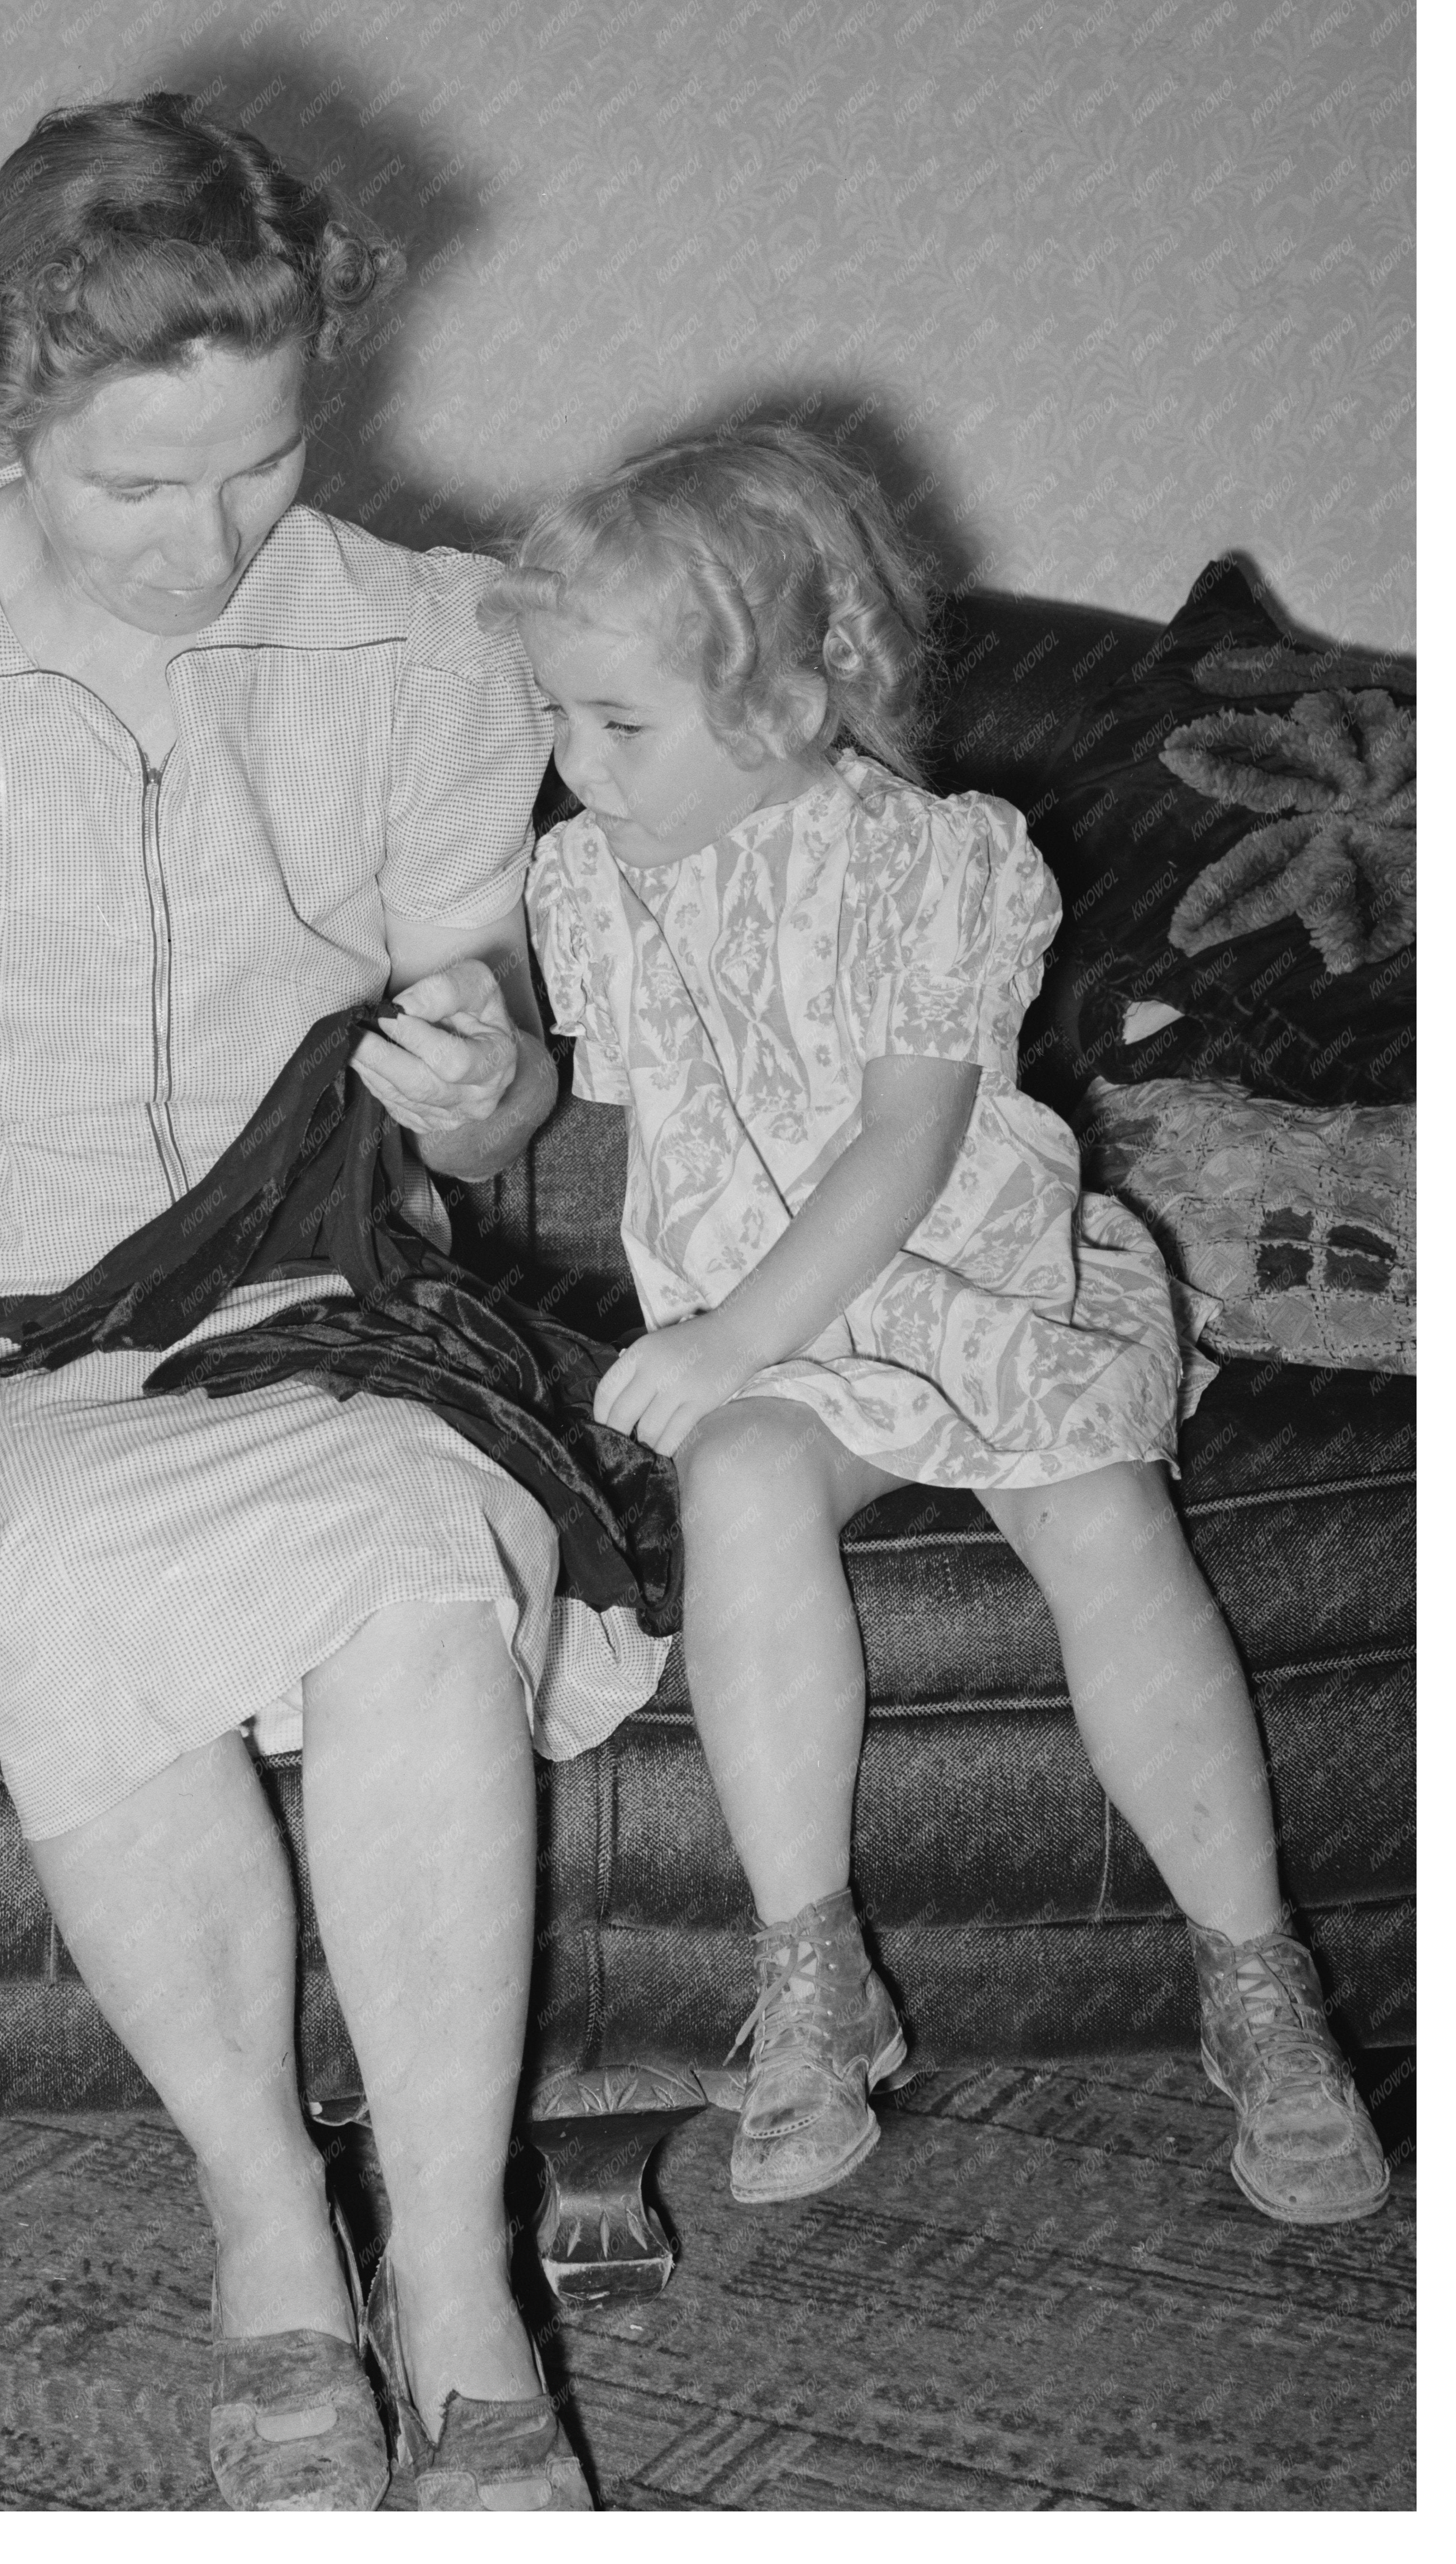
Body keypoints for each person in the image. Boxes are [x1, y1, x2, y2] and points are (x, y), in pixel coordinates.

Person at [0, 93, 662, 2511]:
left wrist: (490, 1073)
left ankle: (450, 2267)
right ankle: (267, 2233)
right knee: (87, 1552)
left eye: (262, 465)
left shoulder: (424, 641)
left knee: (423, 1559)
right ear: (3, 399)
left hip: (308, 1315)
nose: (214, 544)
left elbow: (480, 1117)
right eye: (136, 489)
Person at [489, 426, 1390, 2229]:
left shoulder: (937, 862)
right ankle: (812, 1973)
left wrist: (732, 1329)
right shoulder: (587, 883)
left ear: (798, 693)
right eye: (555, 720)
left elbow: (906, 1141)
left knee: (1098, 1512)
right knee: (738, 1479)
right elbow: (618, 1124)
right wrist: (480, 1091)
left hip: (965, 1280)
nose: (573, 769)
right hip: (777, 1339)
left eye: (619, 724)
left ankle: (1253, 1978)